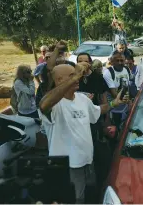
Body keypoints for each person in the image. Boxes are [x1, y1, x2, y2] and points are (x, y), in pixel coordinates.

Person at [38, 62, 129, 204]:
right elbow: (43, 105)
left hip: (87, 161)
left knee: (89, 196)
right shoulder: (55, 105)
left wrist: (114, 103)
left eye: (76, 75)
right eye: (72, 76)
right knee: (75, 200)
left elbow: (96, 111)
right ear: (60, 80)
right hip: (68, 167)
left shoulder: (82, 99)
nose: (77, 78)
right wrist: (75, 77)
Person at [103, 50, 131, 130]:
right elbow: (114, 94)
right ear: (112, 62)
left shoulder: (127, 69)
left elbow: (130, 85)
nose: (119, 63)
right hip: (113, 107)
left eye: (121, 60)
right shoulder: (108, 73)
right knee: (114, 129)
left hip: (125, 106)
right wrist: (127, 100)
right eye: (117, 60)